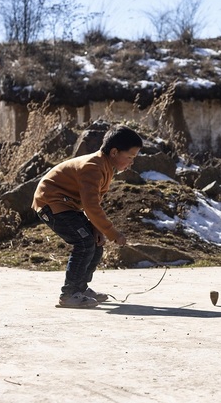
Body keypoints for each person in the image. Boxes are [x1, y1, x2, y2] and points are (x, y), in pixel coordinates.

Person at [32, 124, 143, 308]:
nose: (131, 162)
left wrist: (97, 229)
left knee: (95, 242)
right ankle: (69, 294)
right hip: (51, 203)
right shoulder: (93, 167)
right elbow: (91, 206)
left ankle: (80, 288)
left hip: (69, 205)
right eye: (130, 157)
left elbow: (92, 202)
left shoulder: (106, 167)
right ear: (114, 152)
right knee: (84, 243)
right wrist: (112, 233)